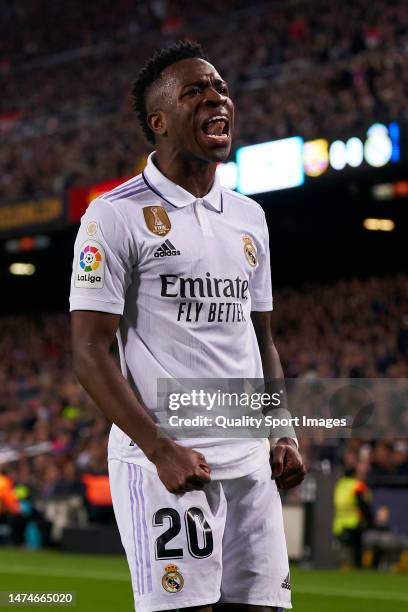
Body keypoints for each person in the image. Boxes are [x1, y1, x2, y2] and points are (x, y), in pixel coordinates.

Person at [70, 41, 305, 612]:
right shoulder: (114, 215)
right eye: (195, 90)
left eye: (219, 87)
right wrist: (159, 449)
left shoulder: (251, 218)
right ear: (160, 123)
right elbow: (89, 351)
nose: (215, 97)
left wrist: (281, 431)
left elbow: (263, 340)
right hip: (168, 467)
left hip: (249, 465)